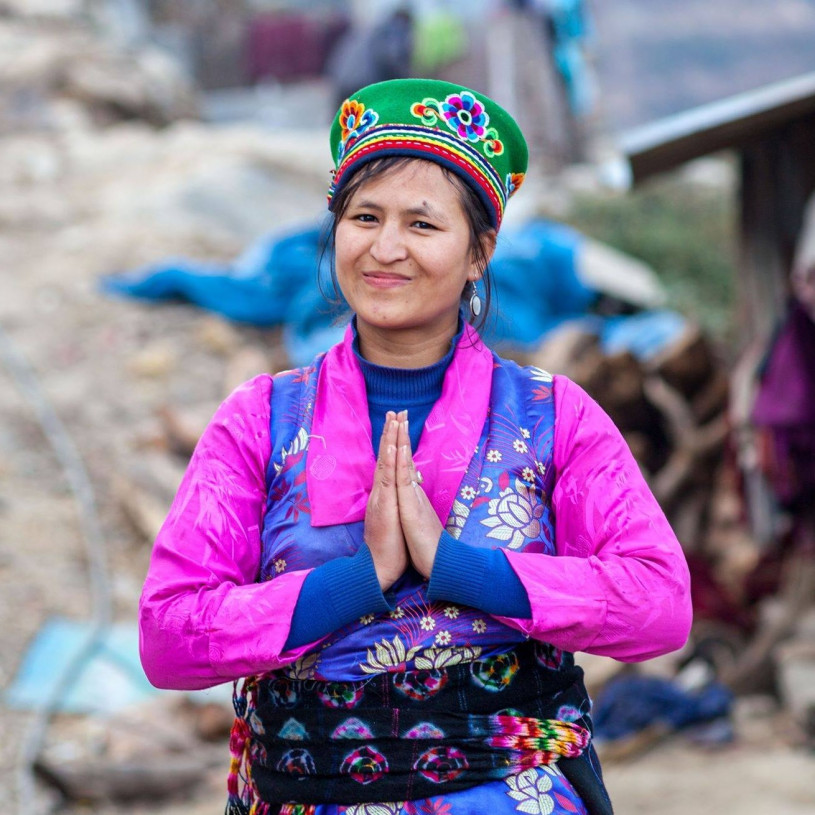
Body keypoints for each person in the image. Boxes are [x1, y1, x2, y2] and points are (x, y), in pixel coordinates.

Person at [139, 78, 692, 815]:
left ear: (478, 252)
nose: (385, 248)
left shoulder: (554, 416)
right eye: (363, 216)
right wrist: (356, 579)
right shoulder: (259, 419)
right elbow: (168, 635)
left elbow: (658, 604)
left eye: (423, 225)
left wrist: (460, 568)